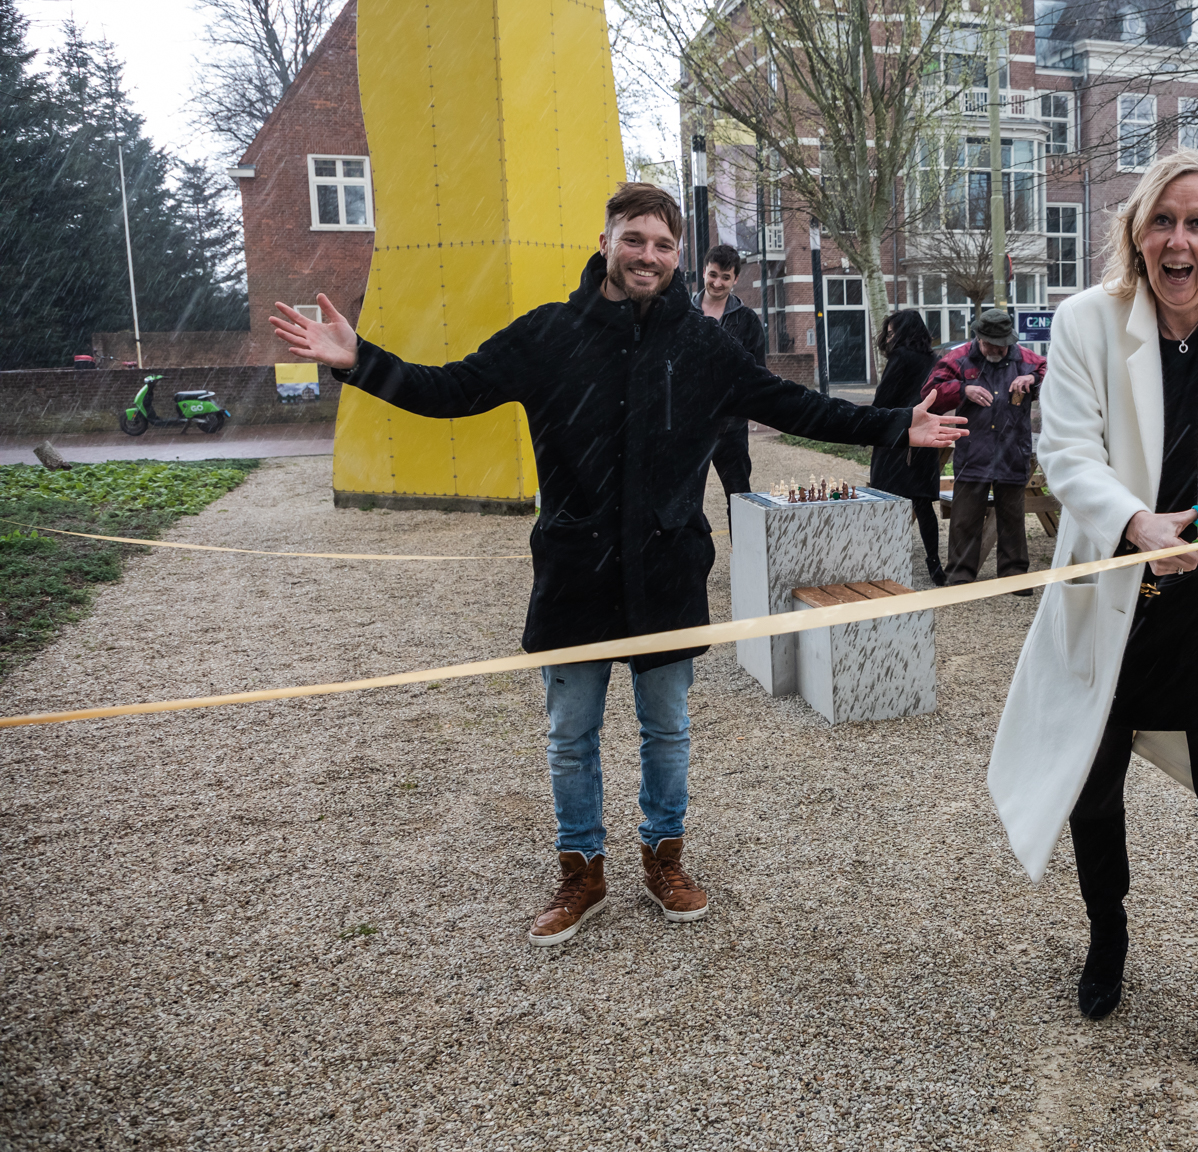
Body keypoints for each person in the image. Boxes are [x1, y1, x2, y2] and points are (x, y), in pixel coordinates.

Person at [268, 183, 965, 947]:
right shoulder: (548, 335)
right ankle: (581, 872)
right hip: (575, 572)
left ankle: (664, 857)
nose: (649, 256)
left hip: (666, 574)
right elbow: (451, 390)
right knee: (572, 733)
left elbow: (794, 405)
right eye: (635, 239)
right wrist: (359, 360)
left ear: (678, 259)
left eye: (664, 246)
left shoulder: (703, 348)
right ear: (605, 242)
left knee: (666, 730)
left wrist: (897, 424)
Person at [985, 150, 1198, 1103]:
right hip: (1115, 598)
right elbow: (1066, 449)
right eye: (1162, 222)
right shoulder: (1088, 322)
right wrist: (1135, 524)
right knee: (1093, 788)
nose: (1179, 241)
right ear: (1137, 231)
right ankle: (1109, 934)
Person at [921, 308, 1047, 594]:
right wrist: (963, 389)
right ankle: (960, 576)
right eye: (991, 344)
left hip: (1013, 449)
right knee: (965, 517)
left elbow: (1055, 371)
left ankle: (1015, 576)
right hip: (973, 449)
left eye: (1003, 345)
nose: (997, 350)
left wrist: (1034, 380)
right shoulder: (958, 358)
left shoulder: (1026, 359)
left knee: (1013, 517)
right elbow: (930, 392)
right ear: (978, 338)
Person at [868, 310, 946, 584]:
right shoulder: (934, 360)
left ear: (903, 333)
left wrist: (869, 425)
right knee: (923, 505)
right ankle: (934, 563)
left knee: (887, 501)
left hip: (896, 437)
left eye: (891, 333)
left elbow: (884, 397)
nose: (888, 338)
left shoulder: (901, 357)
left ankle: (886, 561)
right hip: (924, 438)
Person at [695, 244, 768, 526]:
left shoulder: (748, 321)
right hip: (690, 427)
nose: (717, 282)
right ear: (704, 272)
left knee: (739, 499)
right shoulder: (682, 314)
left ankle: (744, 560)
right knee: (683, 502)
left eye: (725, 277)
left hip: (731, 428)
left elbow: (758, 373)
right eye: (713, 274)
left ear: (736, 279)